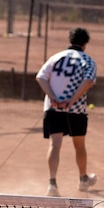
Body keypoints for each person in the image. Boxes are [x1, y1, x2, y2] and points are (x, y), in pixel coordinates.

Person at [35, 28, 97, 197]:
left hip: (53, 108)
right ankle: (83, 179)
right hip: (76, 110)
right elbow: (89, 81)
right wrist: (72, 99)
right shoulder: (88, 60)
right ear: (85, 43)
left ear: (70, 40)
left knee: (55, 145)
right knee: (79, 145)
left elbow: (40, 77)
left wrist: (53, 97)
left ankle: (52, 184)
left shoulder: (56, 57)